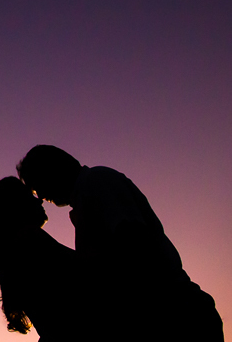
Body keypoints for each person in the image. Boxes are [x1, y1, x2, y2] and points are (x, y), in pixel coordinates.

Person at [17, 145, 224, 341]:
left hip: (176, 315)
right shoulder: (86, 196)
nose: (41, 196)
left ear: (52, 171)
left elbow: (133, 243)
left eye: (37, 186)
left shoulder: (96, 183)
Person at [0, 176, 87, 341]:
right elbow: (88, 274)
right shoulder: (29, 240)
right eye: (29, 196)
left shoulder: (14, 252)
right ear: (16, 207)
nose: (39, 201)